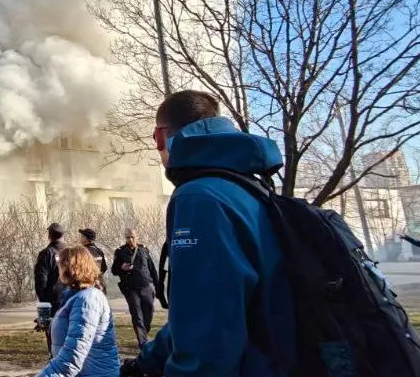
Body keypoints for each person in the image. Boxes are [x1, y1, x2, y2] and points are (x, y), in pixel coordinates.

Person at [121, 90, 295, 377]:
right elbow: (195, 314)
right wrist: (145, 364)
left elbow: (206, 339)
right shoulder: (248, 188)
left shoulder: (200, 198)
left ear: (159, 137)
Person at [37, 244, 121, 377]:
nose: (58, 268)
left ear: (71, 268)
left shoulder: (88, 299)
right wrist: (52, 323)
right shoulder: (75, 295)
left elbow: (73, 355)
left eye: (60, 264)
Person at [109, 228, 157, 348]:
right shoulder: (120, 252)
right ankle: (143, 342)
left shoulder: (144, 249)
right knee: (137, 314)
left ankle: (144, 334)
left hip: (146, 286)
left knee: (149, 311)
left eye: (132, 237)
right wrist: (122, 268)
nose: (130, 239)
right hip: (131, 288)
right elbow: (114, 270)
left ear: (137, 237)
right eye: (127, 237)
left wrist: (157, 284)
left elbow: (151, 268)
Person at [34, 222, 68, 313]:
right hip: (71, 297)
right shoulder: (72, 252)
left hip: (53, 299)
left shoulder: (46, 253)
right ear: (63, 236)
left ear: (49, 237)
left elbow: (41, 279)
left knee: (52, 325)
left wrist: (43, 301)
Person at [78, 228, 108, 293]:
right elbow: (104, 268)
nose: (80, 238)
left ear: (86, 238)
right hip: (100, 285)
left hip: (88, 286)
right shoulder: (99, 251)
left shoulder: (82, 252)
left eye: (82, 236)